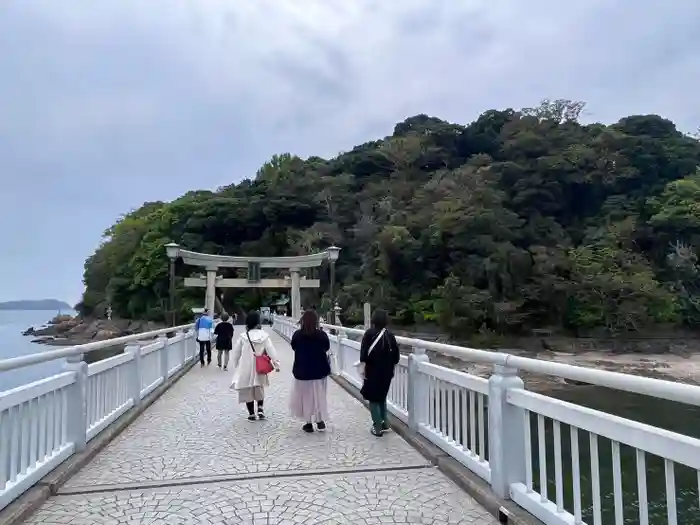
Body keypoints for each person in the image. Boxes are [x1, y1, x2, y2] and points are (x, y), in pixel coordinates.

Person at [229, 311, 281, 421]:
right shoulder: (264, 336)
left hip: (245, 366)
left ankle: (251, 413)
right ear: (258, 322)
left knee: (248, 389)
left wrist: (236, 364)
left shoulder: (243, 336)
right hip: (260, 366)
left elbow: (236, 353)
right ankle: (260, 408)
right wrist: (276, 364)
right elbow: (271, 351)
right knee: (259, 387)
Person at [359, 309, 400, 437]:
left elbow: (363, 355)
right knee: (382, 396)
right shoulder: (390, 335)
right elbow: (396, 357)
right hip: (387, 372)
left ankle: (377, 426)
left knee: (373, 398)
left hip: (372, 370)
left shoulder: (368, 334)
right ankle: (385, 422)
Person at [290, 309, 331, 433]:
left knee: (305, 397)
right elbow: (327, 347)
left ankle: (308, 423)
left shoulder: (297, 334)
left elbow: (293, 347)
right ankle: (319, 420)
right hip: (319, 371)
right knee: (319, 395)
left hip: (302, 370)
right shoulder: (321, 335)